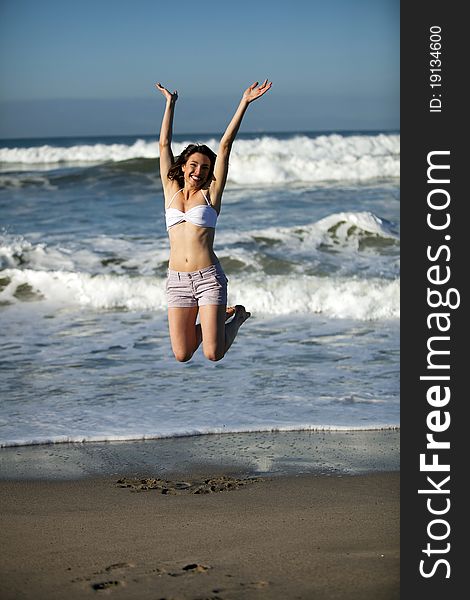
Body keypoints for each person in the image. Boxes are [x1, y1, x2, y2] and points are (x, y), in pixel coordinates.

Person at [156, 79, 272, 362]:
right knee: (182, 354)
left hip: (208, 278)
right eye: (193, 165)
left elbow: (225, 145)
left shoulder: (211, 195)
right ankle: (218, 317)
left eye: (205, 167)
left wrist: (244, 102)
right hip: (177, 281)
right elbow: (163, 144)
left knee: (212, 352)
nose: (198, 170)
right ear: (183, 166)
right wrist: (170, 104)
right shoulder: (171, 191)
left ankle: (236, 318)